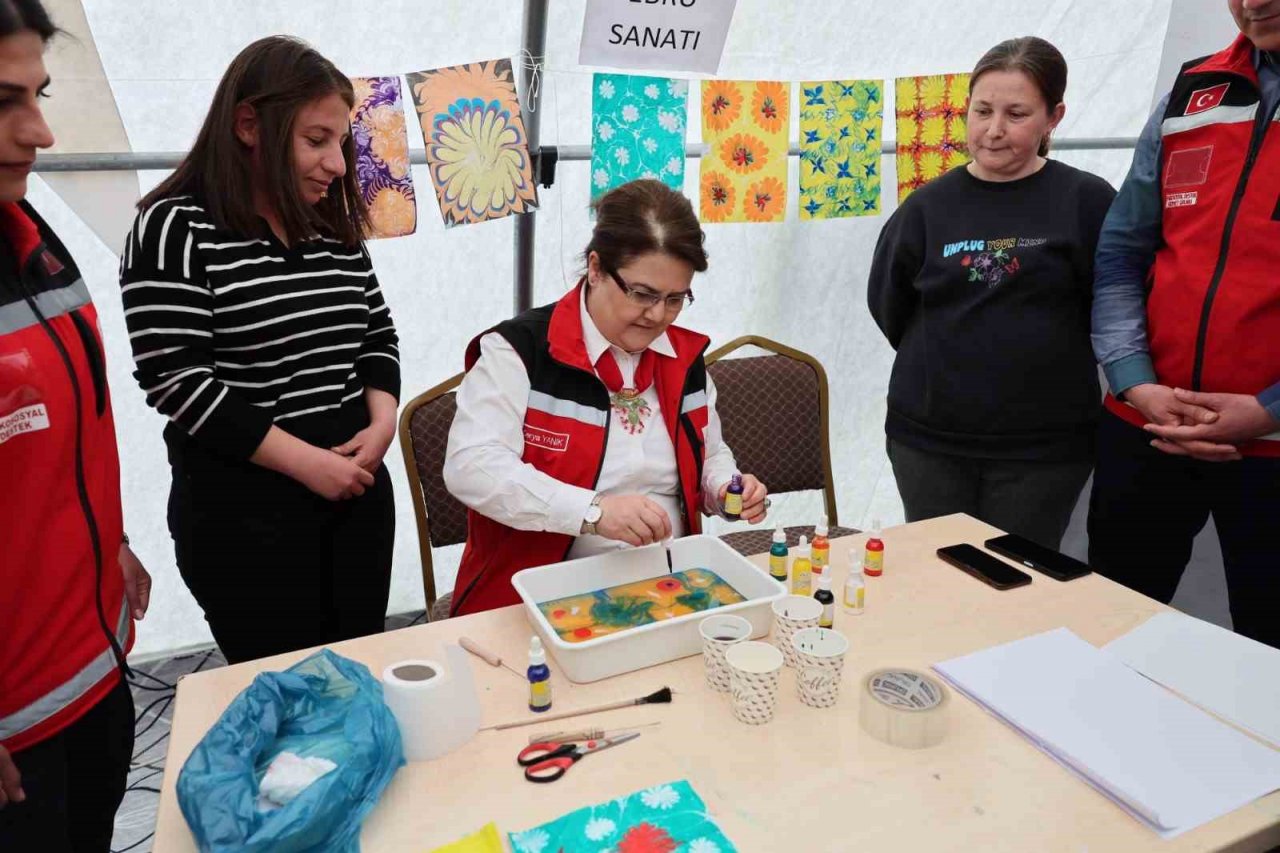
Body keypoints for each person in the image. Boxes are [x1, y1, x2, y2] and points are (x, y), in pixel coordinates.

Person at [120, 36, 400, 664]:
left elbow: (377, 335)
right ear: (249, 125)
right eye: (316, 140)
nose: (337, 164)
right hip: (246, 520)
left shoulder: (331, 228)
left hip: (353, 499)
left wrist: (382, 422)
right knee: (284, 694)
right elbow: (176, 379)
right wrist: (306, 463)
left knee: (357, 678)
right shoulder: (174, 226)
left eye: (341, 143)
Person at [444, 179, 768, 616]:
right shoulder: (521, 352)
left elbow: (709, 453)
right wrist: (592, 512)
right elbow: (472, 466)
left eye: (675, 299)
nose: (657, 316)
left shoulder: (684, 358)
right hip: (537, 593)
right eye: (642, 294)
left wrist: (725, 489)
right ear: (595, 268)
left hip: (670, 585)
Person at [867, 36, 1116, 549]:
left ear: (1054, 117)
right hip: (929, 443)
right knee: (940, 578)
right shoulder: (926, 207)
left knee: (1020, 583)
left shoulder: (1087, 201)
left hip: (1044, 451)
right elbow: (889, 304)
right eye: (982, 111)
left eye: (1016, 113)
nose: (993, 130)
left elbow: (1114, 309)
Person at [0, 1, 150, 848]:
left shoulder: (30, 235)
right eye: (2, 103)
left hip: (93, 670)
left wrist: (110, 543)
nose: (41, 132)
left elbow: (61, 435)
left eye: (40, 94)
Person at [1088, 0, 1280, 647]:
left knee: (1268, 651)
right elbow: (1121, 254)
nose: (1255, 2)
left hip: (1272, 448)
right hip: (1147, 429)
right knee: (1113, 623)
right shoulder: (1193, 92)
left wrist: (1269, 410)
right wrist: (1134, 382)